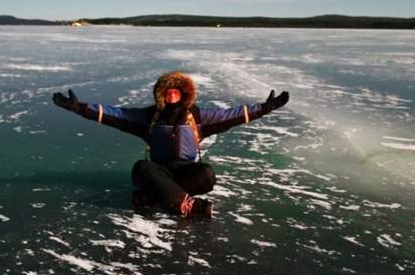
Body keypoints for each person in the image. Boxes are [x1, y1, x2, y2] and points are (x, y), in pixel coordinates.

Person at [52, 71, 289, 218]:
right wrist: (79, 108)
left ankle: (154, 198)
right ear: (161, 94)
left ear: (184, 94)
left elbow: (233, 114)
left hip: (186, 171)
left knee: (206, 175)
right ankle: (188, 206)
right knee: (141, 168)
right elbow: (115, 114)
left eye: (176, 91)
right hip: (159, 171)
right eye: (168, 91)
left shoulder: (197, 116)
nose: (172, 94)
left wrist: (265, 109)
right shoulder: (149, 117)